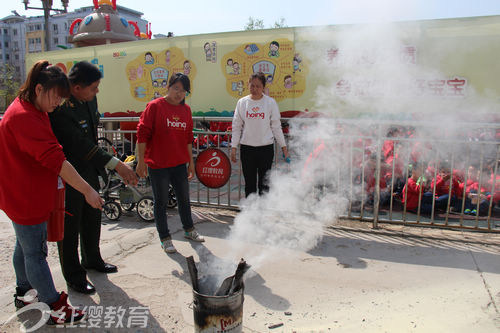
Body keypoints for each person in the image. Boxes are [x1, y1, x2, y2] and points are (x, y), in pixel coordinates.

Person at [0, 60, 104, 325]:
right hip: (25, 195)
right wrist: (88, 190)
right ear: (38, 89)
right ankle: (54, 305)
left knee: (25, 246)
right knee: (36, 252)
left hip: (20, 190)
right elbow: (57, 161)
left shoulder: (30, 107)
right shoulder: (25, 117)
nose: (58, 103)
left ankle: (24, 292)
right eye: (56, 97)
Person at [49, 61, 138, 294]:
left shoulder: (88, 99)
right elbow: (80, 145)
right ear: (77, 87)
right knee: (70, 225)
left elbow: (92, 136)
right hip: (69, 172)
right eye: (94, 88)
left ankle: (92, 259)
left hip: (89, 169)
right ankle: (74, 276)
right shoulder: (61, 109)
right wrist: (116, 165)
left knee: (92, 215)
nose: (97, 92)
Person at [136, 73, 205, 254]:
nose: (179, 93)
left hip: (179, 164)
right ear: (169, 87)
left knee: (184, 199)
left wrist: (190, 163)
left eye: (183, 91)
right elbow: (142, 134)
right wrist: (141, 161)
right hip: (158, 165)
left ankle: (189, 230)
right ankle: (165, 238)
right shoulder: (155, 107)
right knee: (161, 201)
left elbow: (189, 139)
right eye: (176, 88)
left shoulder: (186, 110)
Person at [230, 72, 289, 197]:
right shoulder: (242, 102)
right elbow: (236, 126)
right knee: (249, 184)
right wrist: (233, 147)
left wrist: (284, 148)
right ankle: (250, 213)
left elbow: (276, 127)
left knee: (265, 184)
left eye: (258, 86)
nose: (255, 89)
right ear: (248, 85)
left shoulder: (270, 103)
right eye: (252, 86)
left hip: (265, 149)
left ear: (263, 87)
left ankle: (263, 212)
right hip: (247, 149)